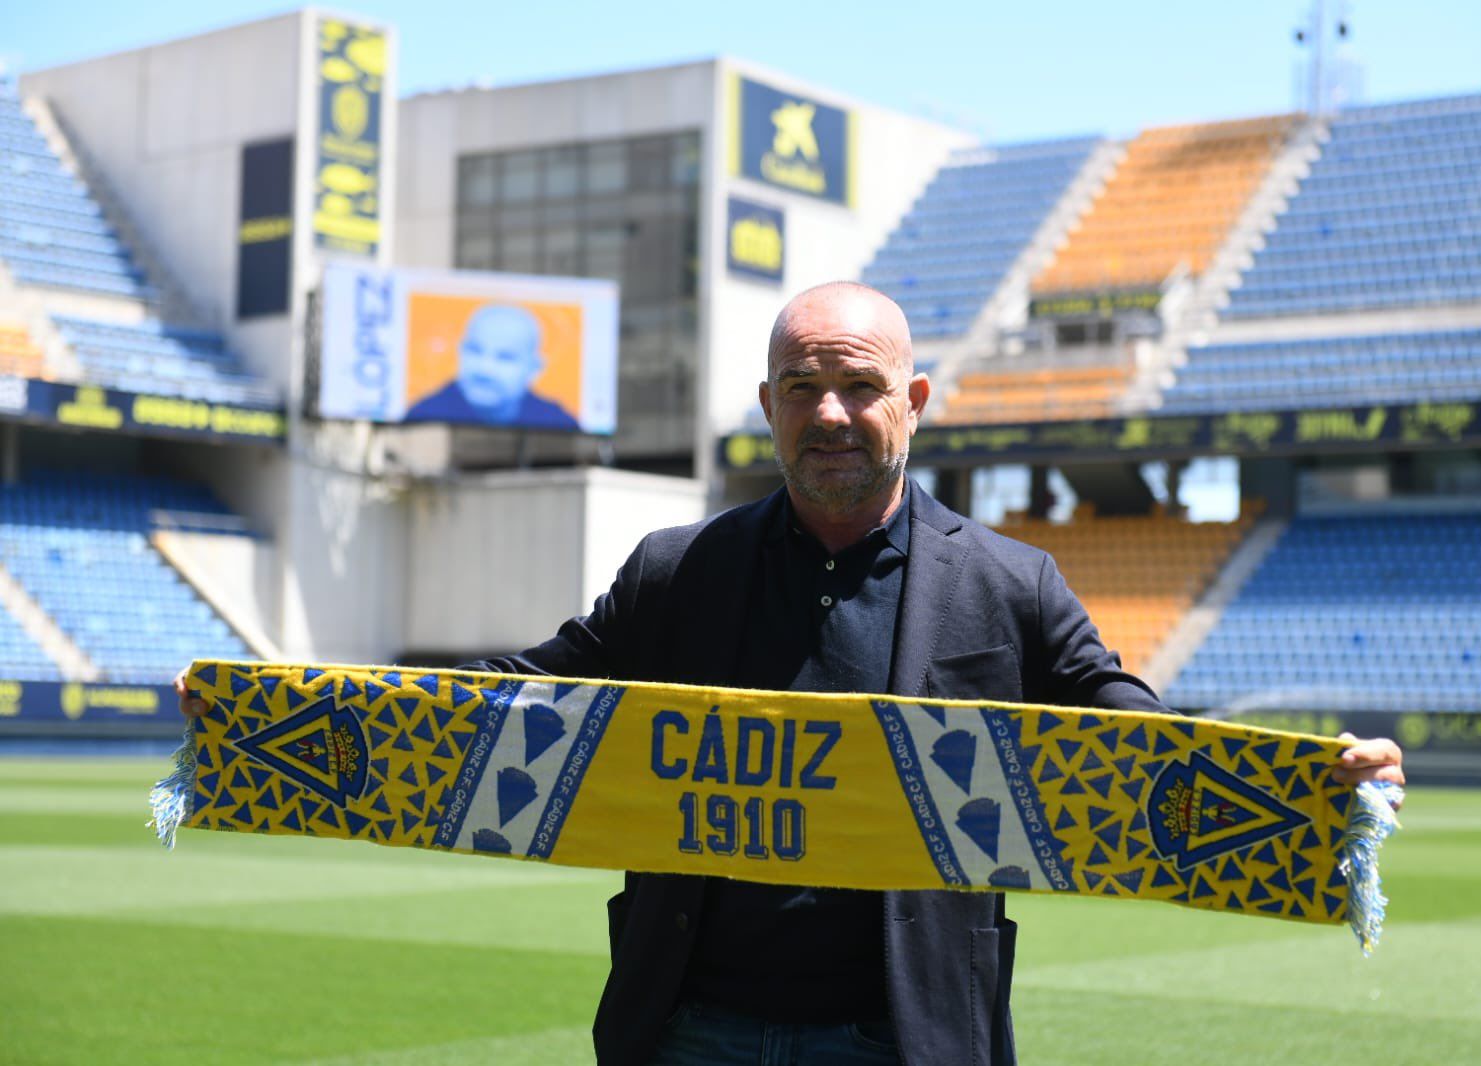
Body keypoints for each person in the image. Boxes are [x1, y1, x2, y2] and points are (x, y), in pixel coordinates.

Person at [181, 281, 1403, 1066]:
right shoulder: (676, 570)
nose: (832, 410)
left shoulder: (1012, 582)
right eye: (805, 386)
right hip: (689, 1026)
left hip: (907, 1028)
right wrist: (283, 714)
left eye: (860, 385)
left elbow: (1123, 730)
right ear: (767, 405)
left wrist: (1309, 783)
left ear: (912, 403)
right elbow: (528, 696)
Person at [406, 302, 580, 429]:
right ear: (460, 350)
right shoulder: (425, 410)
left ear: (534, 368)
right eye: (475, 350)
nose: (485, 369)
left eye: (505, 358)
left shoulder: (556, 418)